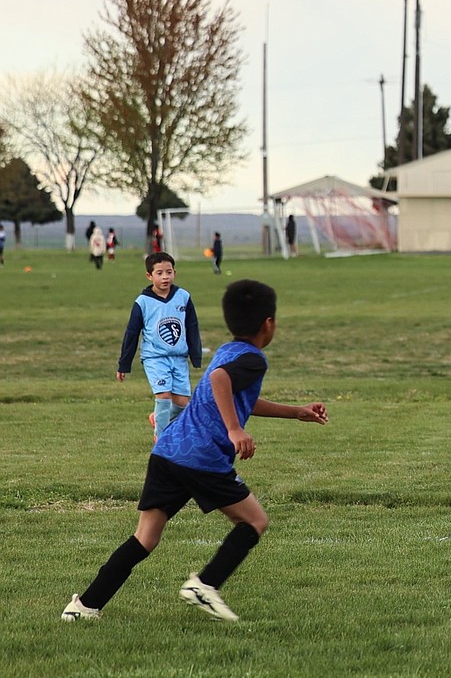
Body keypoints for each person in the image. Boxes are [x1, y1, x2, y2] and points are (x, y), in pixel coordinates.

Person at [63, 279, 330, 622]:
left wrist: (296, 412)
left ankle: (84, 606)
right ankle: (205, 585)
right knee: (255, 521)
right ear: (269, 323)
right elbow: (220, 380)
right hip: (201, 457)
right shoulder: (251, 359)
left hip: (168, 451)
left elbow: (236, 394)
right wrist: (234, 429)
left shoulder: (228, 350)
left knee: (145, 538)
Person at [118, 253, 202, 441]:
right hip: (154, 358)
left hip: (179, 357)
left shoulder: (183, 297)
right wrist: (124, 364)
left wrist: (195, 355)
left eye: (169, 272)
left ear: (175, 273)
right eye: (159, 273)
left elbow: (192, 327)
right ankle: (162, 439)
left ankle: (157, 419)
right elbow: (132, 333)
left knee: (181, 404)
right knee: (163, 397)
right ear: (149, 276)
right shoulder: (143, 302)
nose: (165, 277)